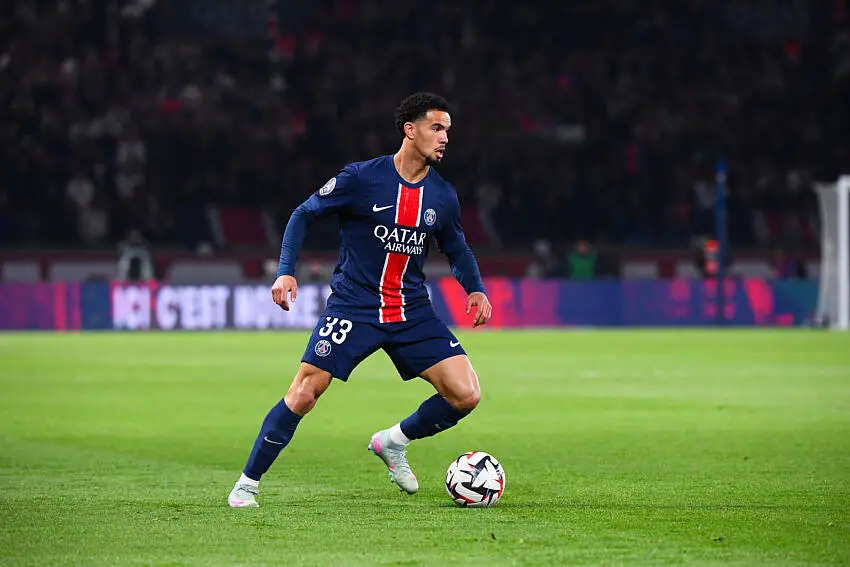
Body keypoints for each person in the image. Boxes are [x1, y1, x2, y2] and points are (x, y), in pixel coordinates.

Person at [228, 93, 493, 508]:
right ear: (410, 130)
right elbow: (303, 214)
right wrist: (285, 270)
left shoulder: (442, 195)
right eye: (436, 128)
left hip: (411, 310)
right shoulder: (361, 178)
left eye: (447, 130)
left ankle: (393, 441)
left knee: (466, 394)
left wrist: (474, 288)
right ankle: (247, 483)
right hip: (354, 307)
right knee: (305, 391)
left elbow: (456, 247)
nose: (445, 138)